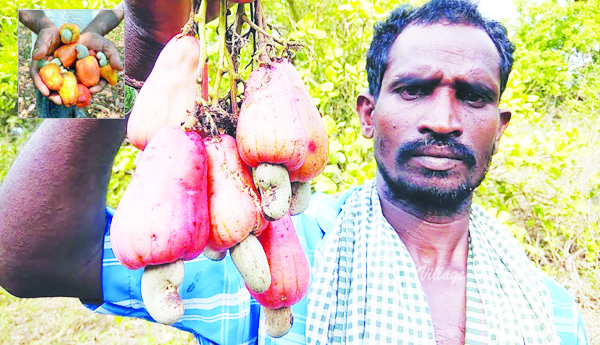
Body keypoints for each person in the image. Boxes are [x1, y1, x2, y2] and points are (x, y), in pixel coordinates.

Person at [0, 0, 589, 344]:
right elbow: (30, 257)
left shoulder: (558, 317)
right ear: (366, 115)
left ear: (501, 125)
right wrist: (148, 39)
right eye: (412, 90)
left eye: (473, 97)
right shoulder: (273, 248)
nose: (443, 119)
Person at [19, 8, 124, 118]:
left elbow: (122, 6)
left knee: (76, 99)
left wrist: (96, 29)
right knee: (54, 112)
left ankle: (75, 114)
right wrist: (43, 26)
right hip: (47, 54)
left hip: (81, 57)